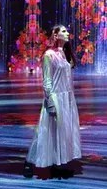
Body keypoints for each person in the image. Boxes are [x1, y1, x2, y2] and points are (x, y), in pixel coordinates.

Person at [25, 24, 83, 179]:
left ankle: (59, 163)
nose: (67, 33)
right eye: (63, 31)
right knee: (47, 132)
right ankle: (30, 162)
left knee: (63, 133)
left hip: (67, 98)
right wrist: (50, 101)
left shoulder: (65, 54)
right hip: (56, 98)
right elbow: (47, 81)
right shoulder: (49, 55)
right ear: (55, 35)